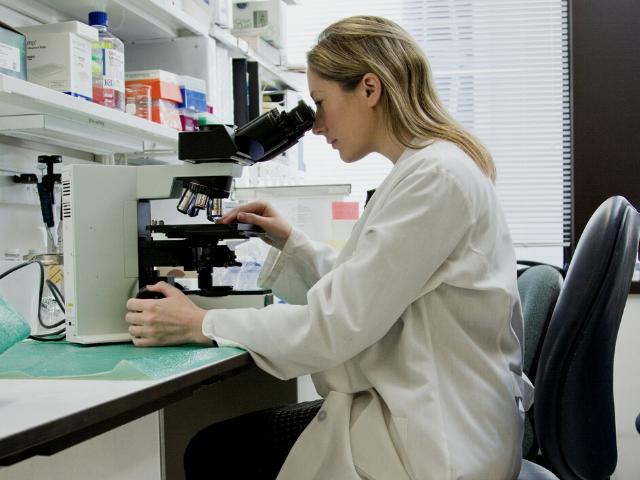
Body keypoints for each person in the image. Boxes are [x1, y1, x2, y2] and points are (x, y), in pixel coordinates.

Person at [125, 15, 532, 480]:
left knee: (216, 452)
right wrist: (291, 243)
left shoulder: (434, 179)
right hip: (432, 411)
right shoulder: (430, 169)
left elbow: (337, 323)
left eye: (320, 102)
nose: (316, 124)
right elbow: (373, 287)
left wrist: (202, 323)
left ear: (370, 89)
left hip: (439, 440)